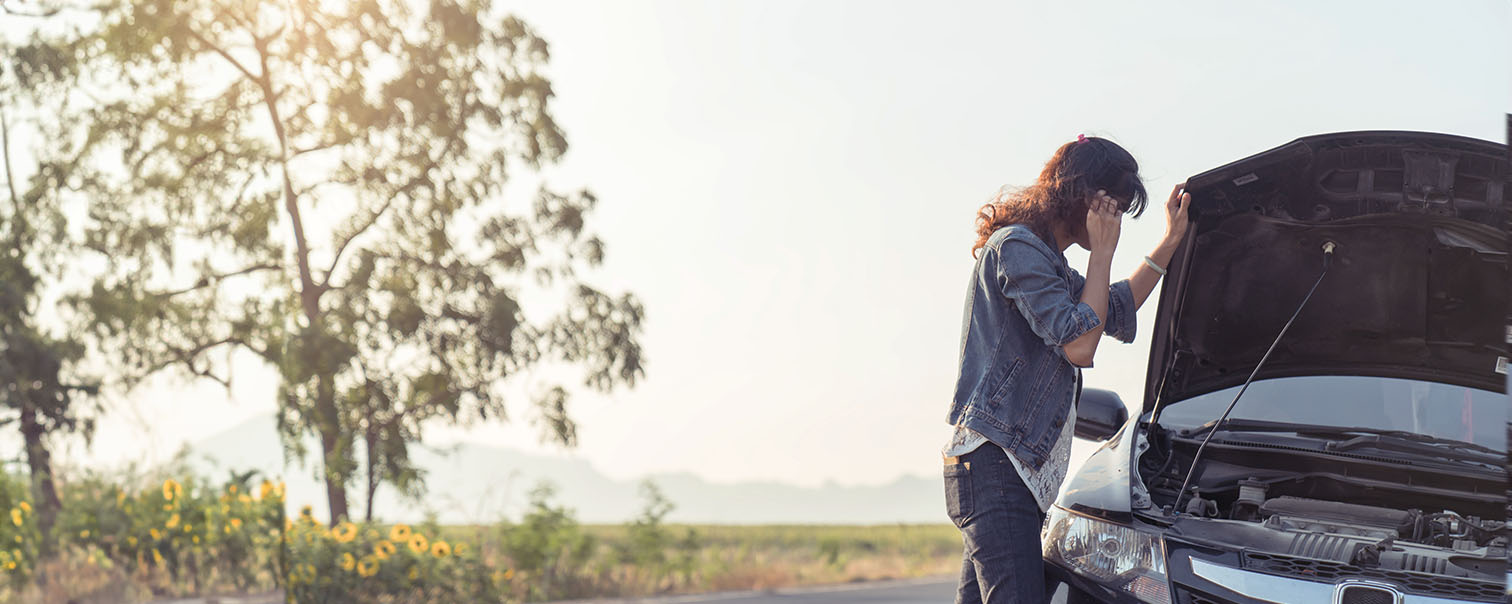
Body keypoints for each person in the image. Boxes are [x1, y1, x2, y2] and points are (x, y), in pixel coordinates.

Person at [942, 134, 1190, 603]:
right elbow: (1081, 344)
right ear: (1080, 192)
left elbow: (1111, 310)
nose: (1114, 219)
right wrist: (1101, 253)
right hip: (996, 467)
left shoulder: (1048, 261)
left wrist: (1171, 240)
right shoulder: (1017, 248)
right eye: (1112, 205)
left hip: (1006, 474)